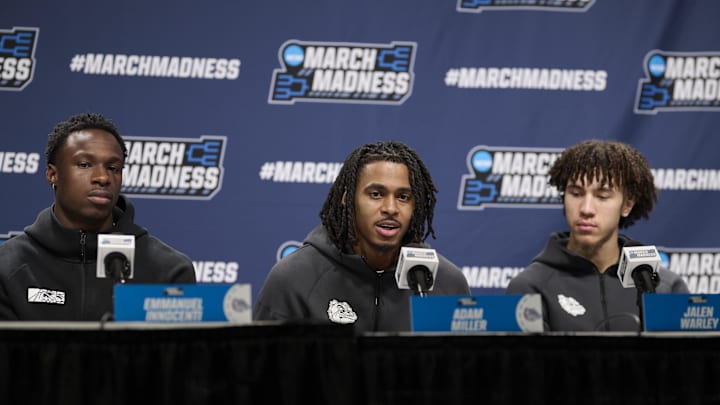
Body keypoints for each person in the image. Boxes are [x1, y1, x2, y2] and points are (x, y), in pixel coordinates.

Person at [253, 141, 470, 332]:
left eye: (403, 197)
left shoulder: (446, 283)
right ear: (347, 199)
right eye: (376, 194)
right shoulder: (294, 279)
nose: (391, 208)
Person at [0, 113, 196, 321]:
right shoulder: (9, 266)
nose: (103, 178)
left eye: (113, 168)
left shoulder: (167, 270)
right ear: (52, 174)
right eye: (84, 165)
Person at [506, 139, 688, 332]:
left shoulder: (665, 288)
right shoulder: (530, 287)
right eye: (576, 193)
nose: (586, 209)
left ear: (627, 205)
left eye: (602, 196)